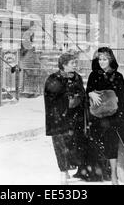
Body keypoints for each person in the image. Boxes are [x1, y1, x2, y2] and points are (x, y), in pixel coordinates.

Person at [85, 47, 124, 185]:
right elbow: (88, 91)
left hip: (113, 116)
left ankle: (114, 174)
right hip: (97, 117)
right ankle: (104, 172)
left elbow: (122, 98)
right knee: (100, 145)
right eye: (100, 59)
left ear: (110, 60)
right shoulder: (93, 75)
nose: (102, 62)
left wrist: (121, 117)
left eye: (105, 59)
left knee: (113, 144)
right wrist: (90, 93)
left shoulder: (117, 76)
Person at [44, 52, 88, 184]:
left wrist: (77, 98)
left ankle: (73, 169)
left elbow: (82, 93)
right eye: (72, 63)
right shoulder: (53, 79)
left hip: (74, 118)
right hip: (58, 119)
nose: (75, 65)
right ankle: (64, 172)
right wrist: (67, 100)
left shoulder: (77, 77)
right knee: (60, 146)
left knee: (73, 146)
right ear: (64, 65)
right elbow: (50, 99)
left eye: (75, 62)